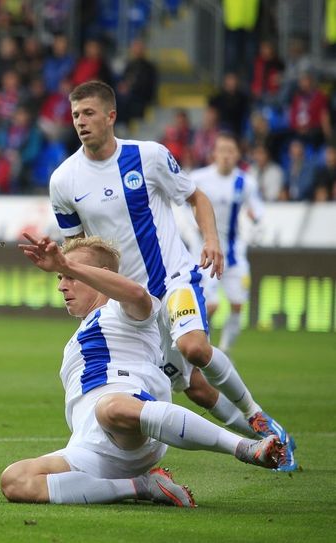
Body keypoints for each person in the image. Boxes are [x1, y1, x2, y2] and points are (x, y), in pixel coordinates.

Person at [49, 80, 297, 471]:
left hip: (173, 280)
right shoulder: (64, 181)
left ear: (111, 116)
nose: (81, 121)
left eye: (90, 113)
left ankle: (256, 416)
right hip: (129, 306)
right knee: (195, 387)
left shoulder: (148, 156)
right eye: (76, 114)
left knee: (193, 348)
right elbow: (79, 250)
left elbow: (195, 196)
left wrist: (211, 239)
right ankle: (267, 443)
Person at [0, 234, 284, 507]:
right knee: (15, 480)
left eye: (71, 276)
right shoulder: (76, 339)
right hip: (90, 446)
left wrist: (66, 263)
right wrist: (69, 268)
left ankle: (245, 448)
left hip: (129, 426)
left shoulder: (123, 311)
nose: (62, 285)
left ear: (100, 275)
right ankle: (141, 486)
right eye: (60, 277)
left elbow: (135, 294)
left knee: (109, 408)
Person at [189, 133, 263, 353]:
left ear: (237, 154)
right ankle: (201, 348)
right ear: (214, 154)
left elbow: (258, 208)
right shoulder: (199, 178)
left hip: (233, 252)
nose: (226, 156)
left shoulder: (245, 182)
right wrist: (191, 227)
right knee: (210, 305)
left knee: (238, 305)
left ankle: (225, 351)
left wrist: (255, 217)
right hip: (204, 252)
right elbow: (180, 205)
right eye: (222, 150)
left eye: (231, 151)